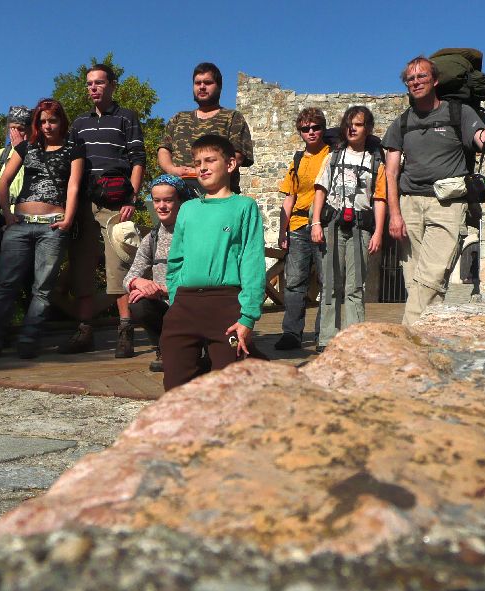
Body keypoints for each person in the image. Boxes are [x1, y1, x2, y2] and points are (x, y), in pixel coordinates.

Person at [382, 56, 485, 325]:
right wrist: (394, 215)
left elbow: (481, 141)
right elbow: (391, 172)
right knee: (414, 281)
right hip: (409, 205)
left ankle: (407, 336)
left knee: (430, 278)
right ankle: (428, 338)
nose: (416, 82)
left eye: (422, 76)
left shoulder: (459, 113)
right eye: (410, 78)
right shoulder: (401, 123)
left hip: (447, 204)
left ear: (435, 80)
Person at [0, 98, 84, 360]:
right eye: (43, 121)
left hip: (53, 225)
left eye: (52, 120)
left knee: (42, 288)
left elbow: (73, 186)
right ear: (37, 123)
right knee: (6, 283)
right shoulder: (27, 147)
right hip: (20, 223)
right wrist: (7, 214)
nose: (47, 126)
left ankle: (29, 338)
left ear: (61, 121)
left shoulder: (74, 149)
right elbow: (3, 181)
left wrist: (68, 219)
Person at [160, 134, 265, 391]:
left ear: (230, 164)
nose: (202, 168)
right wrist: (175, 298)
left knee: (228, 387)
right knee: (175, 386)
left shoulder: (244, 206)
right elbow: (176, 259)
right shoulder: (187, 209)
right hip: (184, 306)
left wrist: (248, 316)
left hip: (226, 306)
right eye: (197, 163)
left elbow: (252, 261)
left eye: (210, 160)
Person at [59, 63, 146, 358]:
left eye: (98, 82)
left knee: (118, 265)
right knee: (82, 266)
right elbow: (71, 164)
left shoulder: (126, 117)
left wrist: (132, 198)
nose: (93, 88)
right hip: (84, 202)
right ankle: (85, 331)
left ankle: (125, 330)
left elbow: (138, 159)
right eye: (89, 84)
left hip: (116, 201)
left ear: (112, 85)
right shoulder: (79, 124)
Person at [311, 106, 387, 351]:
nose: (352, 129)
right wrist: (316, 223)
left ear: (368, 128)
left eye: (359, 124)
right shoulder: (333, 157)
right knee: (330, 285)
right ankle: (327, 339)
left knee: (355, 287)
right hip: (332, 225)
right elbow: (320, 189)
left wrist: (378, 232)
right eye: (349, 124)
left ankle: (355, 340)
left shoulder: (376, 162)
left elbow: (379, 198)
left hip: (360, 227)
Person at [273, 108, 330, 351]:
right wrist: (282, 231)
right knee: (295, 282)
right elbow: (290, 197)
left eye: (316, 127)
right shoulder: (297, 160)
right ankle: (291, 333)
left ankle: (323, 334)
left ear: (323, 128)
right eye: (305, 129)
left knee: (328, 281)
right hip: (297, 225)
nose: (311, 132)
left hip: (325, 224)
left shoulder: (332, 154)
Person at [122, 174, 189, 372]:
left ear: (180, 202)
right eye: (156, 200)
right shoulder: (152, 238)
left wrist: (160, 289)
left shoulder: (194, 234)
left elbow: (201, 279)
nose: (161, 206)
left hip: (191, 304)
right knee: (138, 302)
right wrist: (138, 283)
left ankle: (193, 349)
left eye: (168, 200)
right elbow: (128, 278)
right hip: (163, 307)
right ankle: (164, 348)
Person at [158, 62, 253, 195]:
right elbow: (164, 150)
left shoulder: (232, 117)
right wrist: (172, 170)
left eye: (208, 83)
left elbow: (237, 156)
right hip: (179, 194)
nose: (202, 87)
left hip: (218, 195)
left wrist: (201, 172)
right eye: (198, 83)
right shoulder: (178, 118)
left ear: (219, 86)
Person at [0, 106, 32, 216]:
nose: (15, 133)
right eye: (12, 128)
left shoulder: (39, 152)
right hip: (5, 216)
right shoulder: (1, 155)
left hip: (29, 214)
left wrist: (22, 149)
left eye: (20, 129)